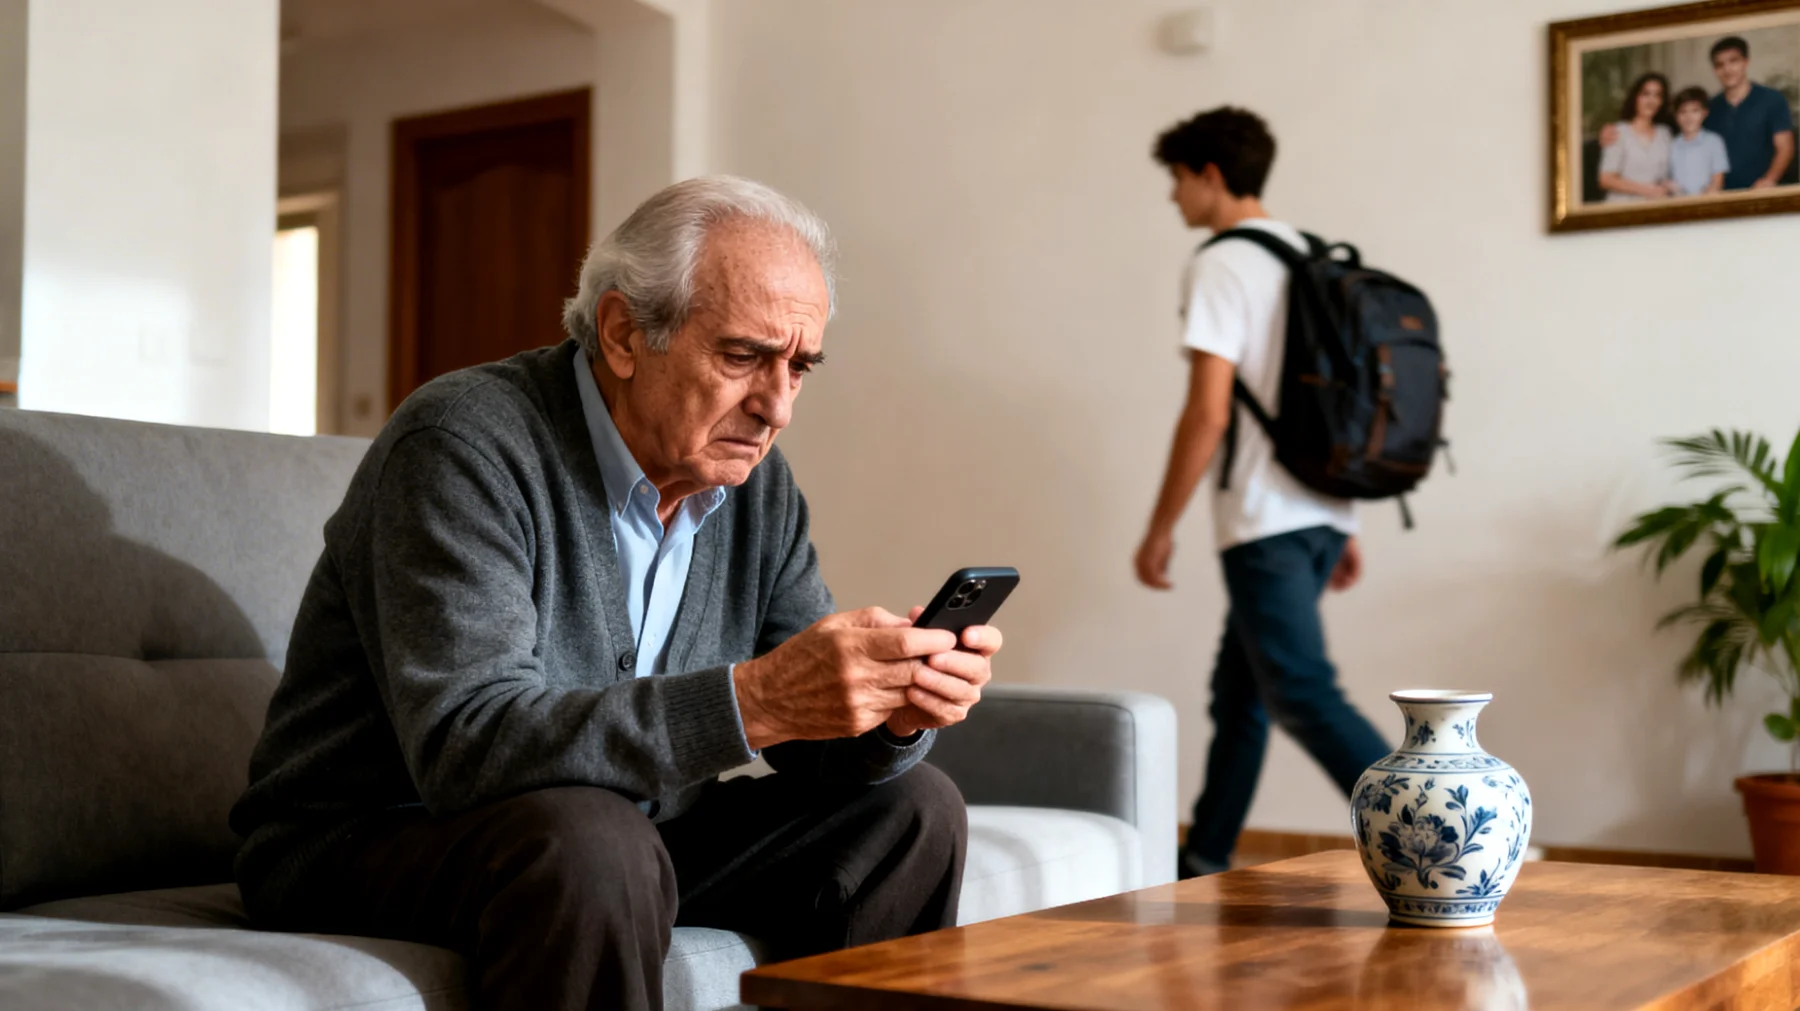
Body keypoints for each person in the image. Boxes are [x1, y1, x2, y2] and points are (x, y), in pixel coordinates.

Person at [229, 176, 1003, 1011]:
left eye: (799, 366)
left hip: (627, 831)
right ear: (624, 331)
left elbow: (807, 735)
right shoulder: (462, 442)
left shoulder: (755, 487)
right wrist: (753, 700)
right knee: (595, 843)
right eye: (743, 356)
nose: (777, 405)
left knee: (911, 808)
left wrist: (892, 711)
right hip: (373, 833)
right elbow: (466, 744)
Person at [1133, 107, 1389, 880]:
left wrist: (1160, 527)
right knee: (1241, 692)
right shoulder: (1313, 253)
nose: (1173, 198)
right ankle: (1205, 856)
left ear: (1210, 175)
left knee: (1303, 692)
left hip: (1264, 520)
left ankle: (1444, 823)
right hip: (1319, 509)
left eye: (1177, 179)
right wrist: (1340, 521)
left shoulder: (1221, 262)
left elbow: (1209, 409)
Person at [1705, 36, 1795, 189]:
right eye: (1720, 65)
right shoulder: (1710, 108)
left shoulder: (1772, 99)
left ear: (1746, 62)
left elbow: (1785, 147)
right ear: (1715, 70)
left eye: (1733, 61)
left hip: (1763, 193)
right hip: (1723, 197)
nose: (1727, 69)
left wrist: (1769, 180)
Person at [1599, 72, 1676, 202]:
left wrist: (1668, 186)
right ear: (1636, 97)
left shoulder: (1665, 133)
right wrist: (1648, 190)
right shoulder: (1618, 132)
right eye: (1646, 94)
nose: (1651, 101)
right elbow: (1606, 180)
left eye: (1657, 95)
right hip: (1621, 208)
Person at [1670, 86, 1730, 196]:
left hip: (1707, 204)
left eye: (1695, 111)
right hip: (1678, 205)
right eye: (1683, 112)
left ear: (1705, 113)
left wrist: (1710, 193)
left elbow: (1718, 179)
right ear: (1676, 116)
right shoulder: (1672, 146)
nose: (1689, 117)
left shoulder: (1714, 142)